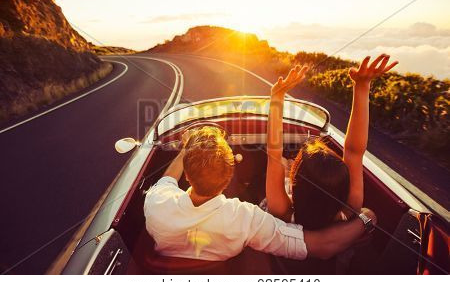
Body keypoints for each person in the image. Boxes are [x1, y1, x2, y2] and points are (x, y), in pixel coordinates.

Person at [144, 126, 377, 262]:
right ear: (229, 178)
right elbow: (321, 246)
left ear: (187, 174)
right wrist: (367, 218)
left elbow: (167, 180)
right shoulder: (247, 219)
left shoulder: (156, 202)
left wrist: (187, 149)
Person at [265, 54, 398, 229]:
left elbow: (274, 151)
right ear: (343, 190)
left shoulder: (282, 211)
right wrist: (362, 86)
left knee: (282, 161)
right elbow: (354, 152)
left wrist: (277, 96)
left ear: (295, 181)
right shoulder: (349, 210)